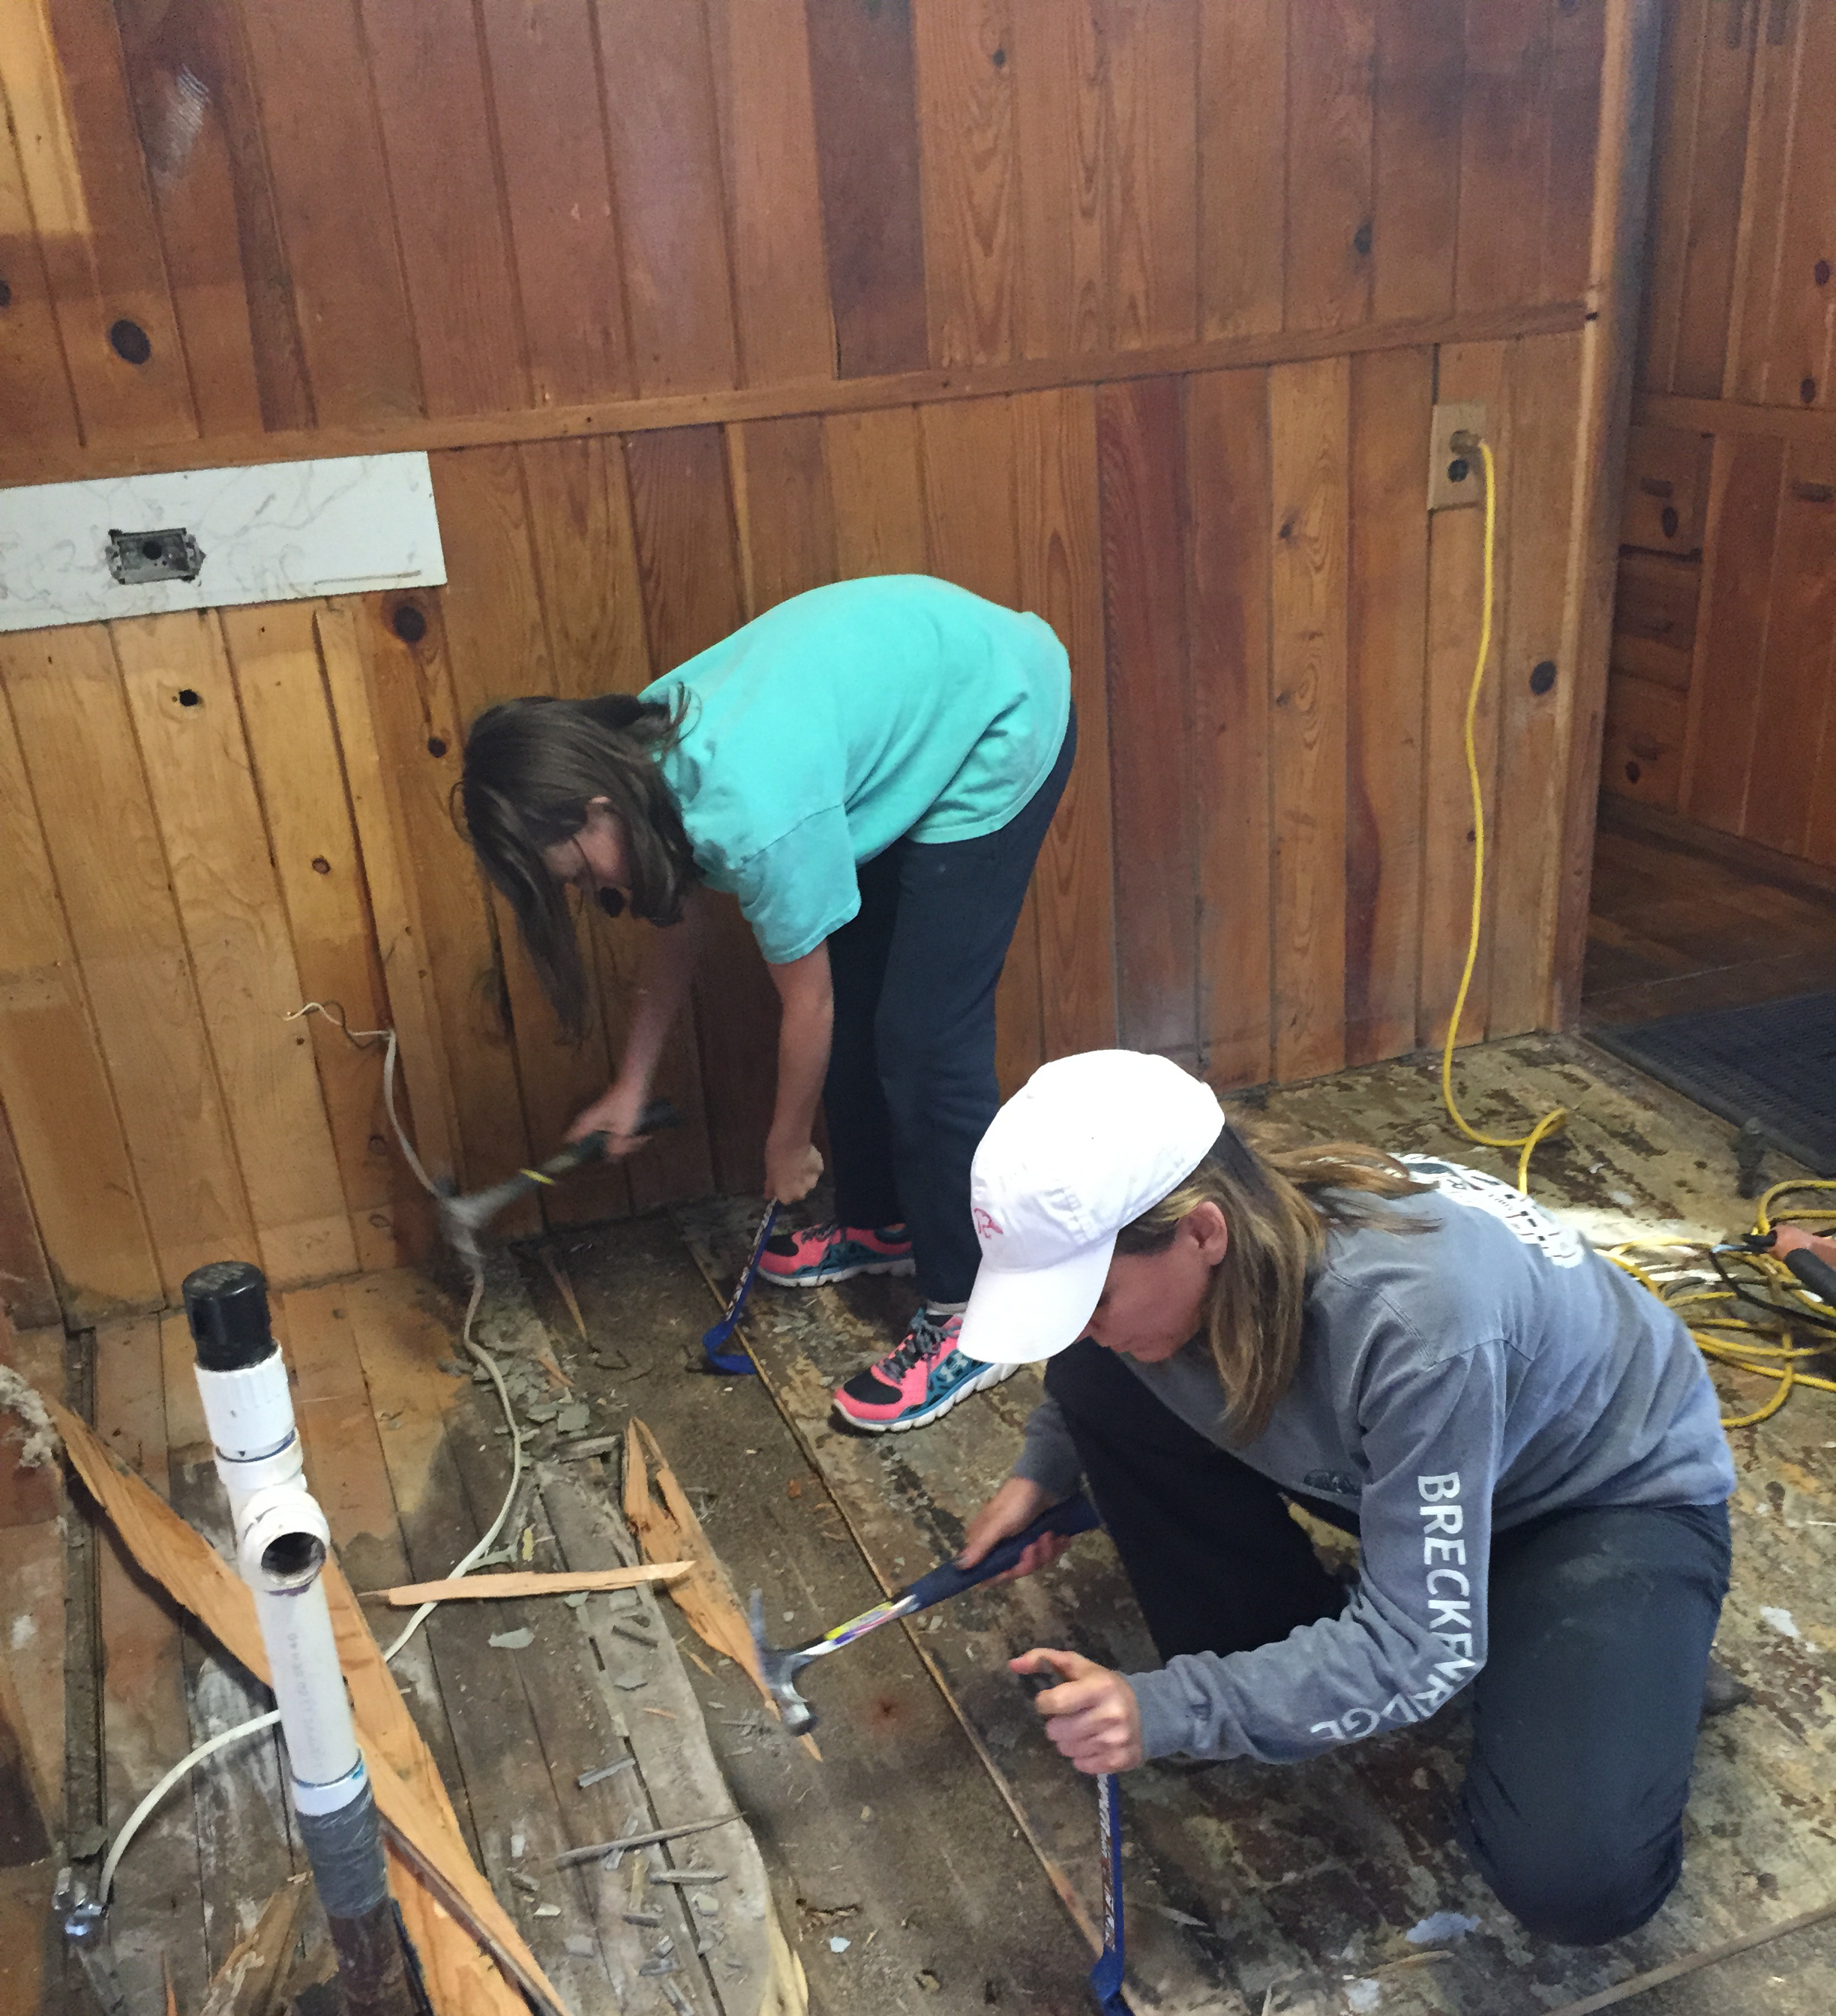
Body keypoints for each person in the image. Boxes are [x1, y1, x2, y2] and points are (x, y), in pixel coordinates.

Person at [952, 1050, 1737, 1947]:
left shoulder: (1416, 1324)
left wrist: (1174, 1709)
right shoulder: (1215, 1209)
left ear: (1203, 1231)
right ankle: (1351, 1636)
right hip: (1414, 1449)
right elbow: (1093, 1363)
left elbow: (1424, 1647)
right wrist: (1046, 1470)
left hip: (1598, 1498)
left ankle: (1626, 1654)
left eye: (1089, 1299)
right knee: (1109, 1368)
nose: (1080, 1326)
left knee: (1574, 1877)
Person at [460, 574, 1073, 1434]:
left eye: (577, 873)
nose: (589, 892)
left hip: (1000, 712)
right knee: (863, 997)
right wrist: (632, 1083)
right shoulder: (636, 768)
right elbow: (676, 926)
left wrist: (787, 1146)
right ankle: (882, 1225)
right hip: (920, 710)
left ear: (598, 811)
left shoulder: (746, 810)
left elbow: (805, 1007)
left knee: (925, 1043)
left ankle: (975, 1313)